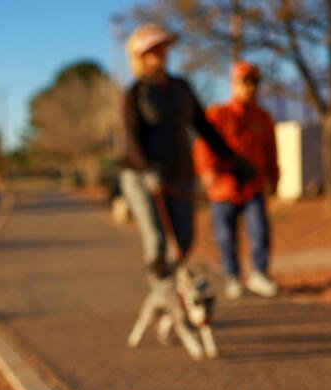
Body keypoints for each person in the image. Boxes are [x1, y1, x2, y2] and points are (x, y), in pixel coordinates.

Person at [120, 24, 252, 280]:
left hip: (178, 174)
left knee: (184, 241)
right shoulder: (134, 94)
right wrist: (147, 169)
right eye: (153, 50)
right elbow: (131, 137)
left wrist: (232, 160)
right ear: (140, 57)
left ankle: (173, 293)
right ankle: (166, 300)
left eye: (162, 48)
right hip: (142, 177)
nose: (161, 54)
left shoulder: (181, 88)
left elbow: (203, 127)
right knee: (157, 241)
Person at [194, 61, 280, 298]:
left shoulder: (263, 117)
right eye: (244, 82)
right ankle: (232, 276)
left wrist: (275, 176)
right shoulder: (218, 114)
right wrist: (206, 170)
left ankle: (259, 273)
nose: (249, 88)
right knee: (225, 236)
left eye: (254, 83)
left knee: (260, 230)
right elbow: (203, 144)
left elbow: (271, 149)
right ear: (233, 84)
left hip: (253, 185)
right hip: (224, 186)